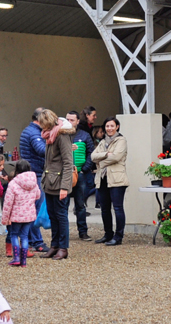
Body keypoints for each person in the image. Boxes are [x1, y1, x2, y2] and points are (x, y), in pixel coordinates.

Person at [38, 109, 75, 259]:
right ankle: (54, 245)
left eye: (43, 124)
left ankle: (63, 248)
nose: (41, 128)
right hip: (49, 182)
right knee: (52, 216)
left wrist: (65, 187)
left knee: (61, 216)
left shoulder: (62, 135)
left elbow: (68, 163)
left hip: (59, 183)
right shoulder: (50, 135)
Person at [92, 116, 129, 246]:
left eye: (112, 126)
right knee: (105, 209)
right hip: (102, 178)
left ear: (117, 127)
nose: (109, 128)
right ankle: (108, 234)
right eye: (107, 126)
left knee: (118, 208)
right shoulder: (103, 142)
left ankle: (118, 236)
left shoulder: (121, 140)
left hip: (117, 179)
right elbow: (92, 156)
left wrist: (101, 160)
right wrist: (106, 154)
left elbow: (117, 157)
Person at [1, 159, 40, 267]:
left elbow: (8, 202)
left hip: (16, 215)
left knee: (14, 235)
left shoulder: (13, 183)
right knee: (24, 237)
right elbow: (38, 195)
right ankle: (24, 261)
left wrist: (5, 218)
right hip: (29, 215)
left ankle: (16, 258)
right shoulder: (34, 181)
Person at [19, 108, 48, 252]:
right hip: (34, 174)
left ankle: (31, 240)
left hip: (31, 173)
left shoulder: (29, 130)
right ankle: (37, 242)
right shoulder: (34, 133)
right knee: (35, 209)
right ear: (40, 119)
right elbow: (41, 150)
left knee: (32, 208)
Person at [66, 111, 95, 241]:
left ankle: (83, 232)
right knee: (63, 205)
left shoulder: (84, 135)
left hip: (80, 174)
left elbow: (91, 153)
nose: (69, 122)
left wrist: (85, 168)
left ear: (78, 121)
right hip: (65, 174)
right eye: (67, 119)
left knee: (80, 204)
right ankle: (63, 233)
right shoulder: (60, 135)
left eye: (72, 120)